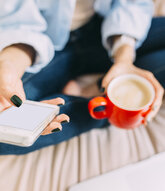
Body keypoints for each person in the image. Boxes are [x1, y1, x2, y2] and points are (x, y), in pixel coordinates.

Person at [0, 0, 164, 155]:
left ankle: (104, 92)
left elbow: (132, 3)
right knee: (6, 131)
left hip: (102, 26)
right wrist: (9, 65)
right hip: (44, 40)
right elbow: (18, 22)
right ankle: (106, 107)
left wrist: (124, 59)